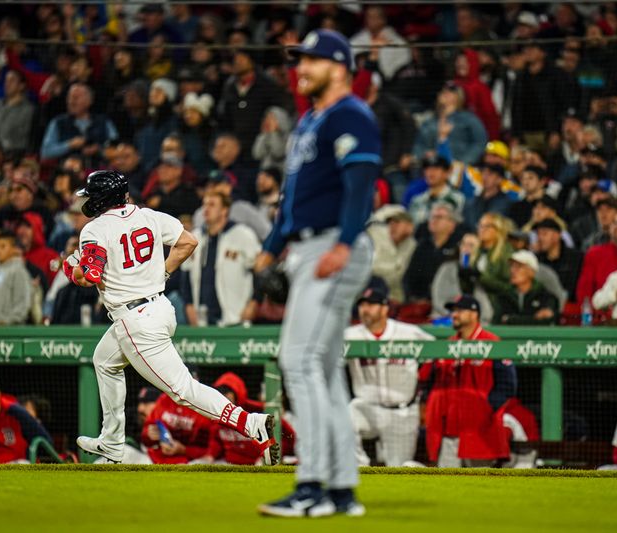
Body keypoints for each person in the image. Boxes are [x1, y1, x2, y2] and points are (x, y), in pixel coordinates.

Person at [65, 170, 277, 466]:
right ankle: (113, 441)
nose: (86, 200)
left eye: (89, 195)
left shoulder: (94, 229)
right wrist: (161, 273)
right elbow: (188, 242)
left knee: (182, 390)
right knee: (104, 361)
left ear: (101, 198)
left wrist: (71, 269)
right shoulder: (151, 216)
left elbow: (90, 276)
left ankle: (250, 423)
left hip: (135, 320)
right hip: (159, 308)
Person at [253, 30, 380, 517]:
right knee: (324, 373)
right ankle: (343, 492)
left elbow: (361, 184)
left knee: (297, 360)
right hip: (309, 245)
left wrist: (345, 242)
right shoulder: (310, 119)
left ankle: (313, 487)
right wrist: (272, 246)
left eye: (312, 60)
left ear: (341, 67)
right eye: (299, 60)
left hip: (333, 244)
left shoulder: (351, 114)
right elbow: (293, 195)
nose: (301, 68)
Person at [421, 295, 517, 467]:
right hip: (449, 431)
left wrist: (485, 409)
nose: (454, 315)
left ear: (474, 314)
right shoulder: (447, 346)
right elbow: (431, 381)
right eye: (453, 311)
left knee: (480, 486)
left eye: (459, 310)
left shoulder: (492, 343)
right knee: (447, 487)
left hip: (479, 430)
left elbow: (507, 384)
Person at [344, 287, 434, 466]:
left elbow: (437, 357)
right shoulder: (349, 335)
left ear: (385, 309)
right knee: (344, 416)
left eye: (371, 305)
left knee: (399, 469)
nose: (365, 309)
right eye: (362, 305)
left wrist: (424, 397)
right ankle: (360, 468)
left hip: (402, 411)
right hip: (366, 408)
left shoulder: (410, 333)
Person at [181, 192, 260, 326]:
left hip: (235, 317)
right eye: (204, 204)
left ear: (224, 210)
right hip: (202, 319)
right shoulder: (195, 237)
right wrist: (188, 305)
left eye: (212, 205)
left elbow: (258, 272)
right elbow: (185, 274)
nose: (206, 209)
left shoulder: (243, 235)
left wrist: (254, 303)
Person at [140, 368, 214, 464]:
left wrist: (184, 450)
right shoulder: (164, 400)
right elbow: (145, 436)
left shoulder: (204, 406)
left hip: (191, 462)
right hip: (158, 457)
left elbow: (211, 450)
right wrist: (149, 434)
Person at [40, 83, 118, 164]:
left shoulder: (104, 122)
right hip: (67, 172)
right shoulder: (58, 122)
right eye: (69, 97)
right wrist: (69, 145)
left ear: (89, 101)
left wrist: (99, 149)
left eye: (76, 97)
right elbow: (46, 152)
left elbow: (116, 149)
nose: (71, 101)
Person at [403, 202, 464, 303]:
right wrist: (412, 297)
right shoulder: (422, 245)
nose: (434, 220)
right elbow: (409, 276)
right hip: (416, 302)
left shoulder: (457, 247)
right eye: (432, 216)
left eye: (439, 217)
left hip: (444, 303)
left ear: (452, 224)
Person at [577, 209, 617, 304]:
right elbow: (584, 291)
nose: (616, 227)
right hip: (600, 312)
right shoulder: (595, 253)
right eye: (614, 223)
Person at [0, 230, 32, 325]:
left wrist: (8, 322)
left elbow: (22, 302)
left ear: (14, 249)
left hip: (12, 330)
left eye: (3, 246)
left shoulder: (19, 271)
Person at [367, 205, 416, 303]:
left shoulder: (412, 245)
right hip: (373, 290)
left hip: (396, 296)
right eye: (390, 223)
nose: (393, 226)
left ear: (410, 226)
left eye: (397, 222)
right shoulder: (377, 240)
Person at [496, 250, 559, 325]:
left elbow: (545, 321)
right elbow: (498, 320)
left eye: (518, 267)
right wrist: (533, 318)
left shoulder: (546, 297)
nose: (512, 270)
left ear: (531, 272)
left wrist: (511, 319)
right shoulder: (504, 296)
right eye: (511, 266)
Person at [535, 218, 583, 303]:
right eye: (538, 234)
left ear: (557, 235)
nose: (540, 238)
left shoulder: (575, 258)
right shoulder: (536, 260)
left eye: (544, 234)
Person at [408, 155, 466, 225]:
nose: (430, 172)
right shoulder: (417, 200)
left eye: (436, 168)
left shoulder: (458, 199)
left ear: (447, 173)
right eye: (427, 169)